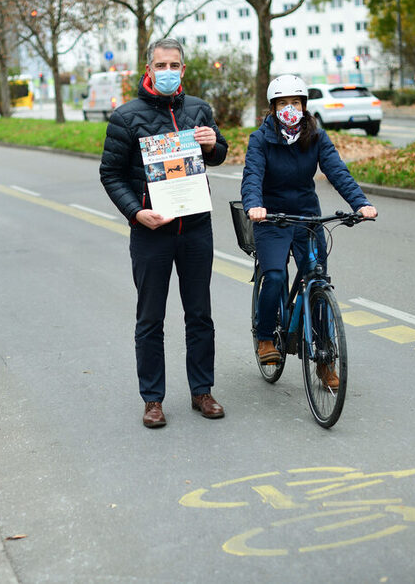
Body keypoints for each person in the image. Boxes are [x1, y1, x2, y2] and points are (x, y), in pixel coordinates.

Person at [100, 38, 229, 428]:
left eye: (175, 64)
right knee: (151, 319)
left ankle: (202, 392)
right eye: (161, 65)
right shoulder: (125, 117)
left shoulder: (198, 109)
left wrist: (213, 144)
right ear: (149, 70)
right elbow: (111, 174)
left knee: (200, 315)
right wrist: (136, 213)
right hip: (151, 233)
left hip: (195, 228)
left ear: (183, 70)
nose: (168, 71)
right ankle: (152, 400)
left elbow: (218, 153)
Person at [241, 74, 377, 386]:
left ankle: (325, 360)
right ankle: (265, 338)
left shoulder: (316, 136)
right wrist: (254, 205)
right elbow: (252, 176)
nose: (290, 108)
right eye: (283, 103)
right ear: (273, 107)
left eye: (296, 102)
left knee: (317, 279)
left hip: (307, 218)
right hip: (271, 218)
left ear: (304, 106)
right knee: (274, 275)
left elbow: (337, 171)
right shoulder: (261, 139)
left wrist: (361, 203)